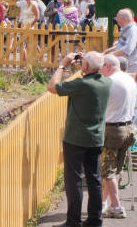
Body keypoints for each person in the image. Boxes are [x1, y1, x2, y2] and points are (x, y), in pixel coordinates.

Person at [47, 51, 111, 227]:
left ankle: (73, 221)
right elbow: (94, 70)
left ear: (86, 67)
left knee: (74, 180)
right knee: (94, 179)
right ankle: (94, 220)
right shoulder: (107, 82)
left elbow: (52, 87)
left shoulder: (82, 85)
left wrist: (63, 64)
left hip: (76, 139)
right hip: (96, 138)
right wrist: (86, 63)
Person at [98, 54, 136, 219]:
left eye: (101, 66)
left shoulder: (110, 82)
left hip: (113, 130)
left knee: (107, 171)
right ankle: (103, 203)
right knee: (114, 170)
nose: (100, 70)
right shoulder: (128, 79)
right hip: (128, 129)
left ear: (107, 65)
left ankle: (117, 207)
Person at [104, 9, 137, 74]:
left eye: (118, 17)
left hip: (131, 67)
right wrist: (106, 52)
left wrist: (111, 55)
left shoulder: (132, 30)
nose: (116, 19)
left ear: (124, 19)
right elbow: (120, 45)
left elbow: (128, 48)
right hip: (125, 65)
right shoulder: (126, 29)